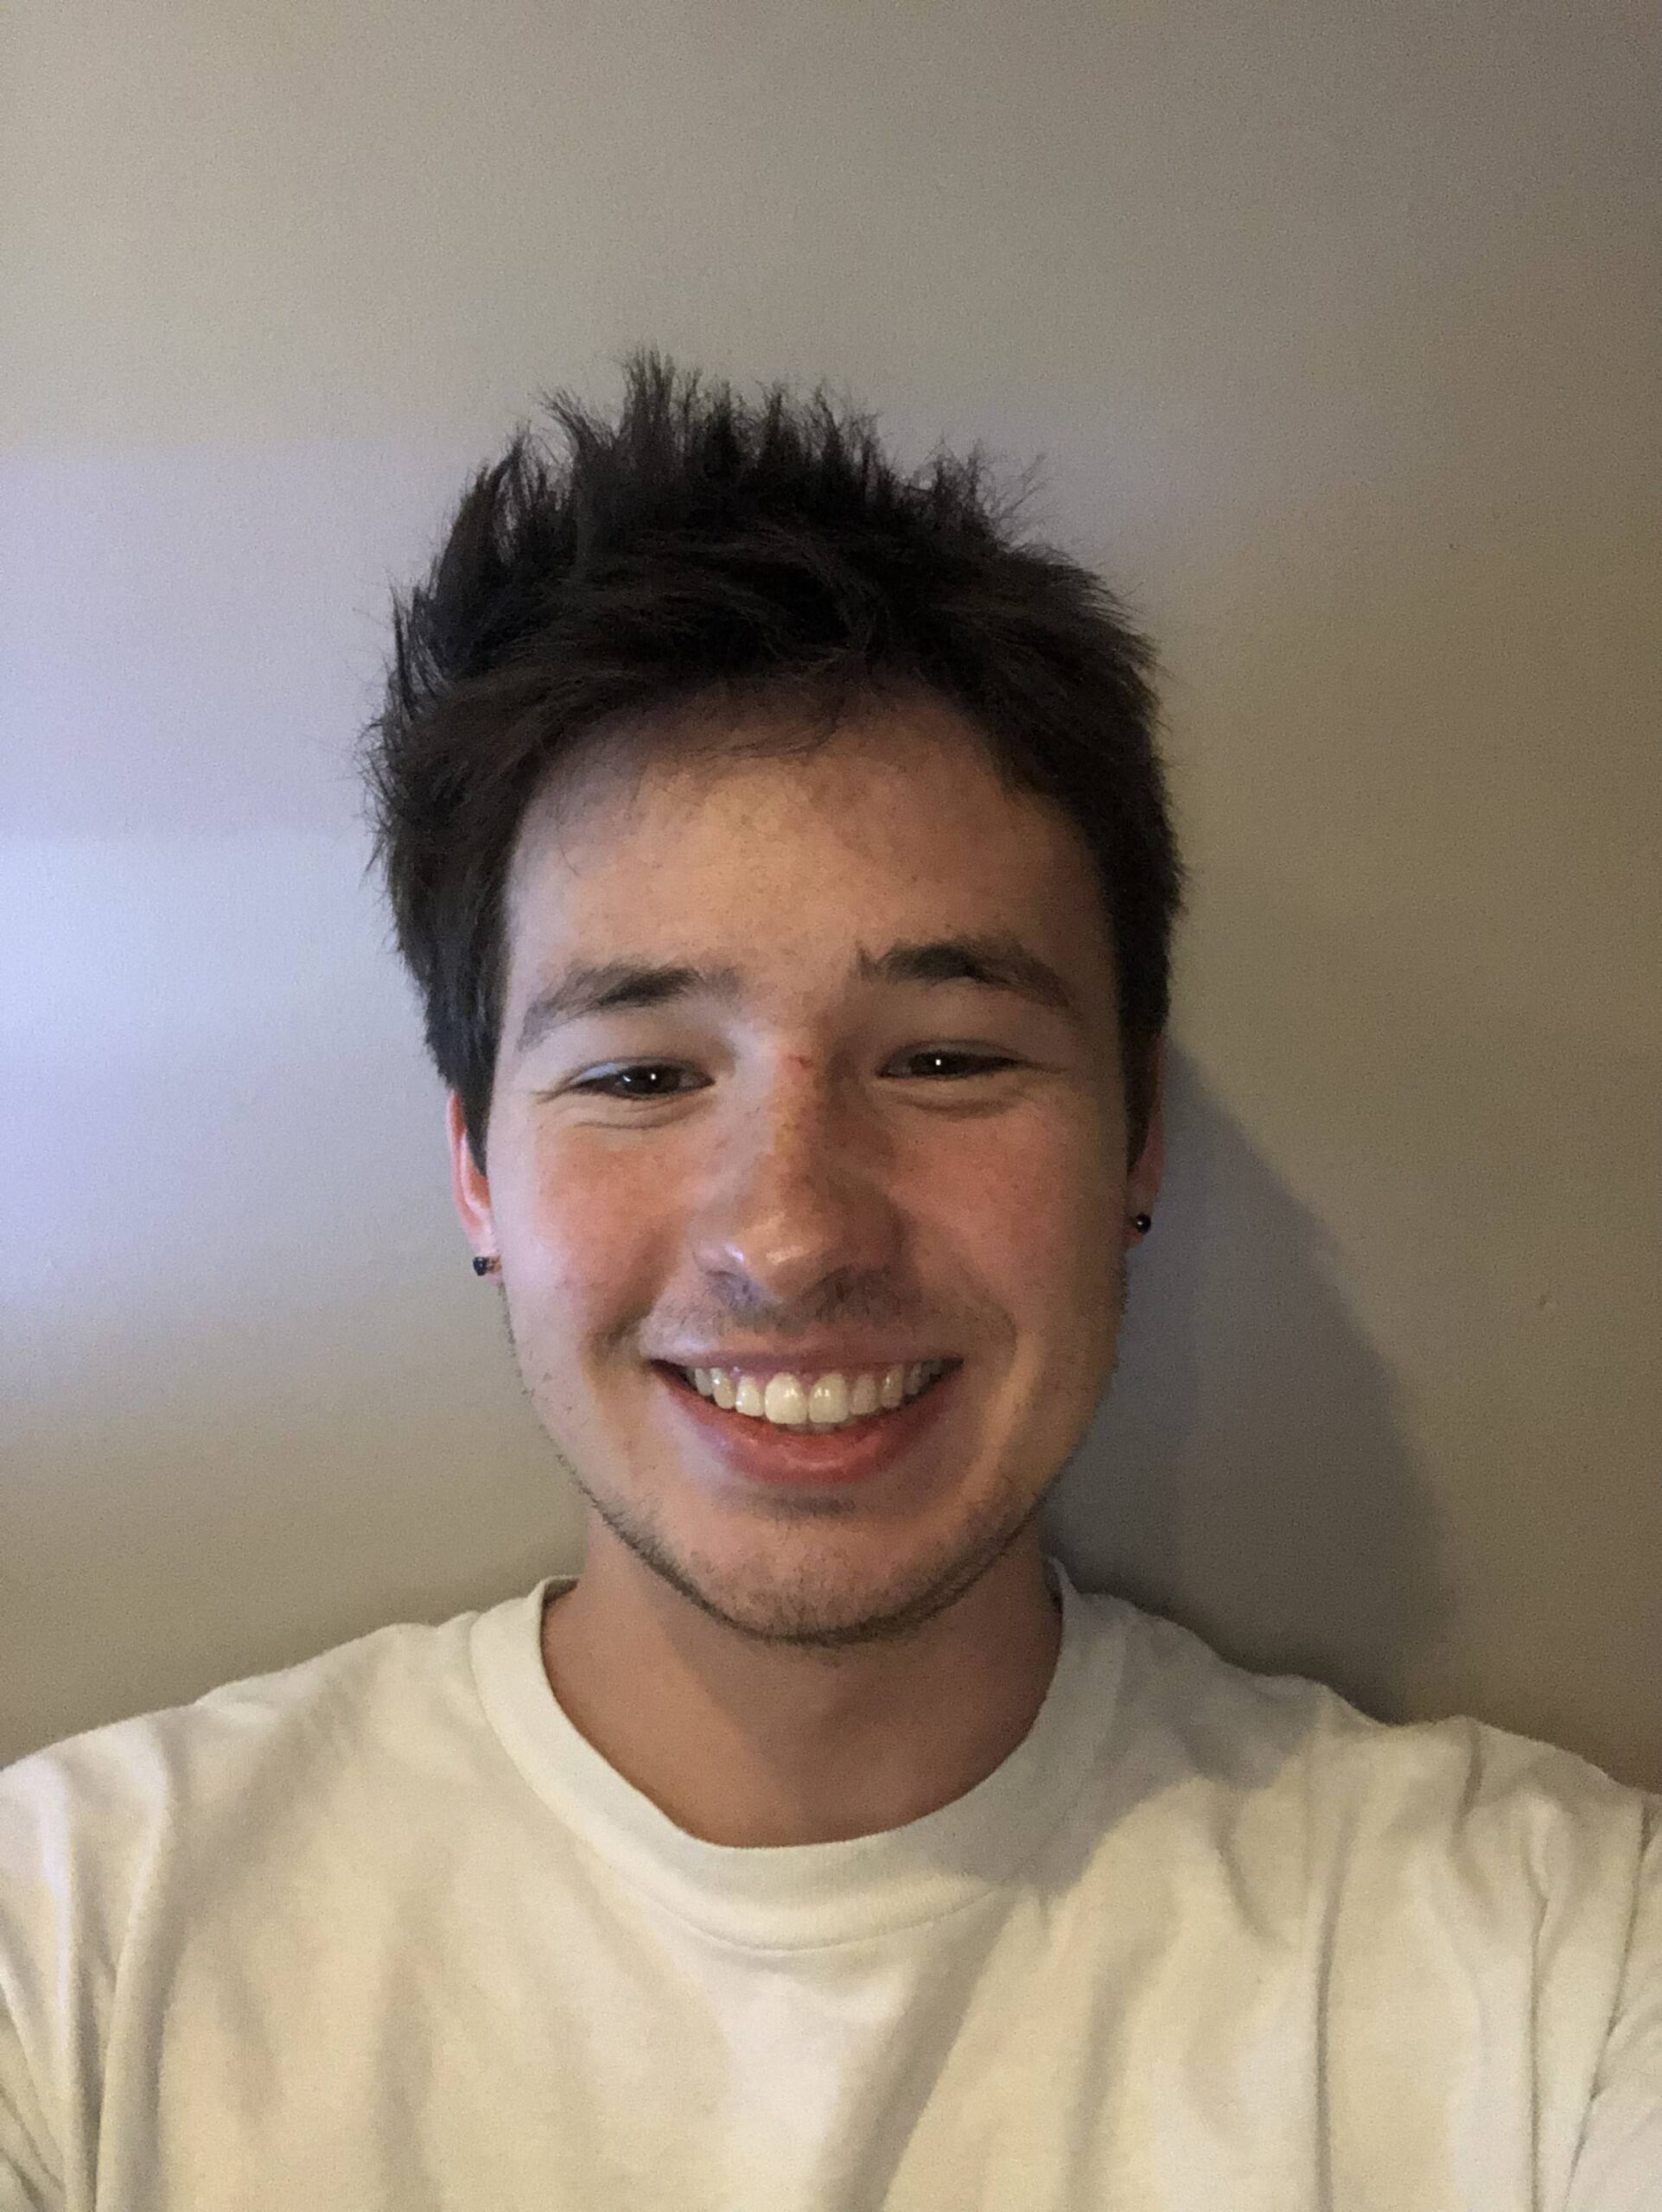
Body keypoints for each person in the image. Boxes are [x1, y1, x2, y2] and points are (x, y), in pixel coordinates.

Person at [0, 349, 1655, 2210]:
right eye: (641, 1076)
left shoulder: (1555, 1972)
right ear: (475, 1167)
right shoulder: (71, 1956)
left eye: (944, 1058)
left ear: (1134, 1140)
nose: (790, 1236)